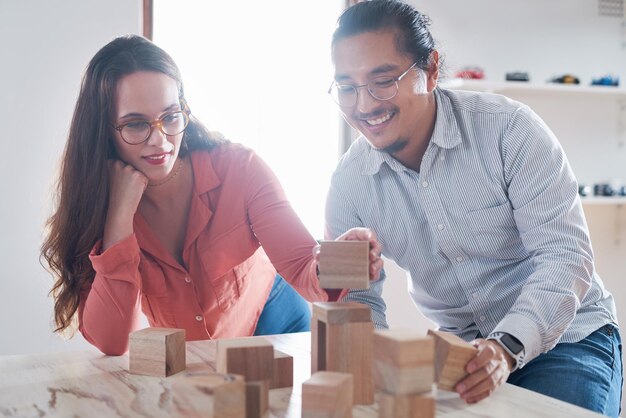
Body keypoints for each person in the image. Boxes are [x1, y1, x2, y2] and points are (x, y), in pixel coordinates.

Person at [324, 0, 622, 415]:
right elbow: (358, 301)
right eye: (347, 87)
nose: (364, 105)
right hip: (460, 356)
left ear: (429, 70)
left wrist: (506, 348)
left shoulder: (509, 129)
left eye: (383, 80)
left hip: (567, 339)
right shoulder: (349, 183)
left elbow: (565, 256)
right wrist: (377, 371)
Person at [41, 34, 383, 356]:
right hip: (190, 356)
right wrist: (118, 217)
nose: (160, 141)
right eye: (135, 124)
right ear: (103, 130)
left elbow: (305, 268)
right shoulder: (96, 204)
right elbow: (112, 342)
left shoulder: (239, 169)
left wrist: (344, 260)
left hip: (276, 321)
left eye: (170, 117)